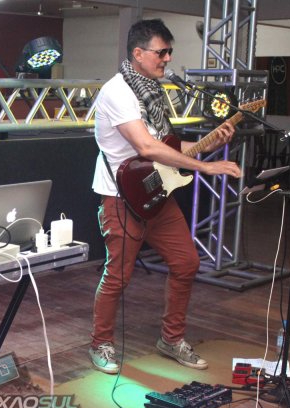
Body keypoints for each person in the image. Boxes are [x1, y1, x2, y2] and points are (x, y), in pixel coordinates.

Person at [89, 19, 241, 375]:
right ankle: (100, 343)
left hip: (157, 192)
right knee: (118, 276)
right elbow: (146, 147)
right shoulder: (117, 92)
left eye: (169, 52)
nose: (168, 59)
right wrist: (205, 167)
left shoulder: (152, 92)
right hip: (120, 197)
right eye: (162, 52)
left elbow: (167, 146)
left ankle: (171, 339)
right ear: (138, 53)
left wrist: (208, 144)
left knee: (186, 262)